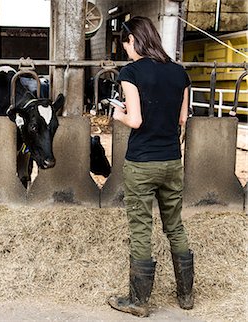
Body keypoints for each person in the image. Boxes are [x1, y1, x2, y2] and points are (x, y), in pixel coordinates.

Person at [107, 16, 194, 318]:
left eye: (126, 45)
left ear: (133, 40)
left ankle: (138, 301)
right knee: (176, 226)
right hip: (172, 161)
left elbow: (136, 121)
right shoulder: (180, 73)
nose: (126, 51)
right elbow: (182, 119)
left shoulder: (130, 72)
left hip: (142, 163)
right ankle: (186, 297)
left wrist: (118, 114)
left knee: (141, 230)